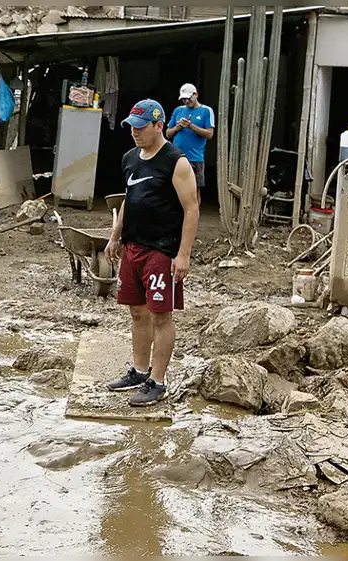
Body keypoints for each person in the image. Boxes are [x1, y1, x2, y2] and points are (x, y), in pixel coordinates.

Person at [104, 99, 199, 407]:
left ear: (159, 126)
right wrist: (115, 236)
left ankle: (158, 382)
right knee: (137, 311)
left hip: (162, 249)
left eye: (141, 127)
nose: (135, 132)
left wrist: (183, 254)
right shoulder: (130, 158)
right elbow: (129, 198)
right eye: (131, 127)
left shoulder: (176, 162)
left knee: (160, 314)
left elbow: (192, 209)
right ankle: (139, 371)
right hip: (133, 246)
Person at [166, 83, 214, 192]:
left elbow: (209, 134)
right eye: (184, 99)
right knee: (175, 188)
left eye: (189, 98)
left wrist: (190, 126)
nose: (187, 101)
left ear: (195, 94)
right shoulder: (178, 110)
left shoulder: (206, 110)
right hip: (177, 157)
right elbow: (168, 134)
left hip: (195, 157)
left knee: (195, 190)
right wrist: (178, 127)